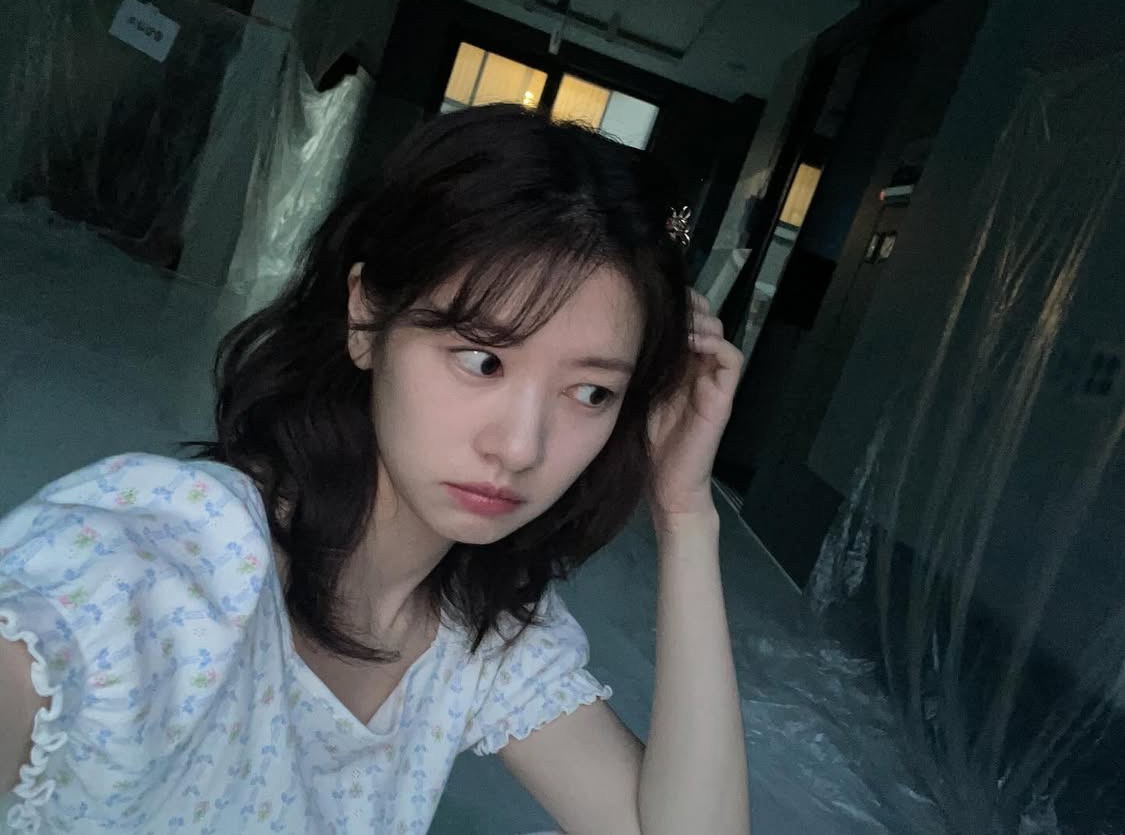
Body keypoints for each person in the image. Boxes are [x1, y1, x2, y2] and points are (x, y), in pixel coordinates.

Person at [0, 103, 749, 834]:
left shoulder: (480, 631)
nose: (521, 447)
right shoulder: (175, 557)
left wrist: (686, 513)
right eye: (482, 360)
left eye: (590, 393)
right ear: (366, 318)